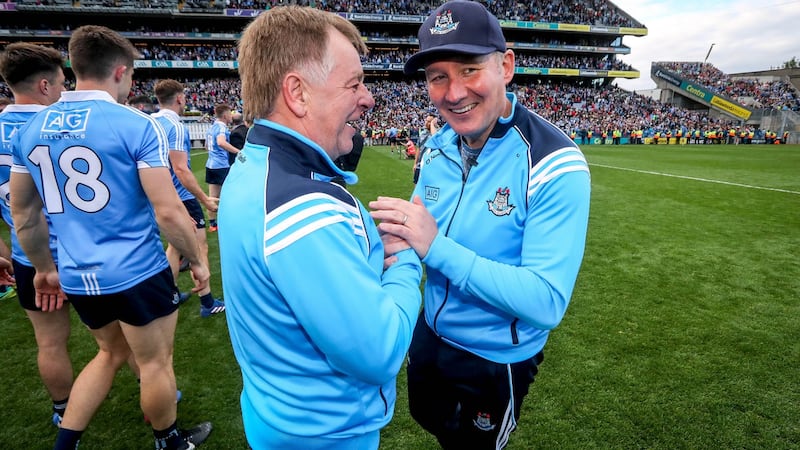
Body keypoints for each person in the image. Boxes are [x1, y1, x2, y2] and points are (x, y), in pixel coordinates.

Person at [369, 2, 591, 449]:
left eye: (469, 69)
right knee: (430, 421)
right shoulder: (436, 145)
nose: (453, 92)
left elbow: (547, 301)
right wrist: (395, 241)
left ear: (505, 66)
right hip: (428, 333)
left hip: (493, 359)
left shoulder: (555, 164)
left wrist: (434, 247)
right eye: (438, 76)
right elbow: (419, 225)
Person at [217, 6, 423, 449]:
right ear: (298, 93)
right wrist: (404, 259)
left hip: (278, 413)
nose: (367, 98)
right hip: (324, 434)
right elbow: (380, 351)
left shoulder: (256, 163)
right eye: (354, 83)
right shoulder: (303, 205)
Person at [9, 25, 212, 450]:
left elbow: (24, 215)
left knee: (109, 353)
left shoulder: (30, 130)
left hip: (78, 274)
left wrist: (45, 268)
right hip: (136, 270)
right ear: (120, 71)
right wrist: (196, 259)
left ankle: (65, 444)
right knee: (155, 362)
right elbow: (168, 210)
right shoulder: (134, 124)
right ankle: (170, 440)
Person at [0, 42, 72, 427]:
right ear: (44, 85)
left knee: (49, 341)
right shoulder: (61, 127)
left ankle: (63, 410)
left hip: (29, 258)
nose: (64, 90)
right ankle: (156, 398)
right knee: (119, 341)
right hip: (81, 254)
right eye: (61, 83)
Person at [151, 79, 225, 318]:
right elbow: (181, 169)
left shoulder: (150, 122)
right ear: (180, 98)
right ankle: (208, 302)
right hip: (181, 197)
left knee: (174, 246)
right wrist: (204, 198)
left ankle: (168, 295)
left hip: (160, 196)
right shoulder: (176, 125)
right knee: (198, 247)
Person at [204, 103, 238, 232]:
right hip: (221, 166)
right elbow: (221, 142)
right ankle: (230, 222)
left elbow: (207, 146)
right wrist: (238, 152)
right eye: (230, 114)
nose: (231, 116)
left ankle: (213, 224)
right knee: (230, 194)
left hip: (210, 165)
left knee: (212, 196)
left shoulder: (211, 127)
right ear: (225, 115)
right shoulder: (222, 127)